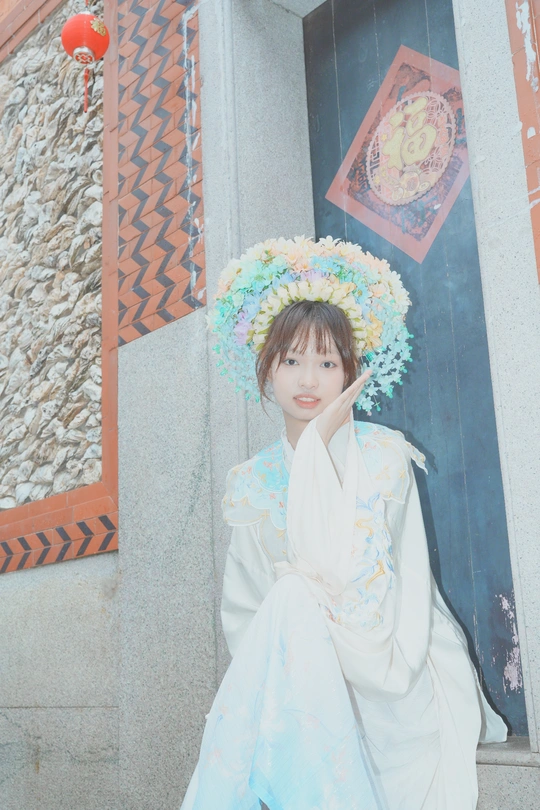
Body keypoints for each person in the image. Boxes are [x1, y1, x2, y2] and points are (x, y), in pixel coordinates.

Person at [181, 237, 507, 810]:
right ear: (266, 368)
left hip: (392, 659)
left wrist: (367, 657)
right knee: (289, 599)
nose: (308, 380)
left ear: (351, 371)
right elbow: (248, 608)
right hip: (302, 677)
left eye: (327, 363)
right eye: (291, 361)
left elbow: (408, 579)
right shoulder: (254, 482)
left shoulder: (384, 457)